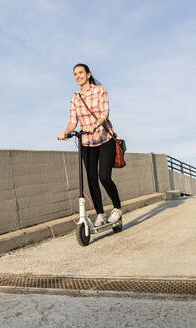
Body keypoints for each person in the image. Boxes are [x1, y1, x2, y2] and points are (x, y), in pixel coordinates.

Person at [57, 63, 122, 227]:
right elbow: (73, 121)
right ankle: (100, 214)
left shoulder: (100, 90)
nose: (77, 76)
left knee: (104, 177)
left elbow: (104, 113)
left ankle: (117, 209)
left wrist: (96, 125)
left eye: (80, 72)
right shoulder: (75, 98)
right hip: (86, 141)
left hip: (104, 138)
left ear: (88, 74)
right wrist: (66, 132)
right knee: (91, 179)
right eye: (75, 74)